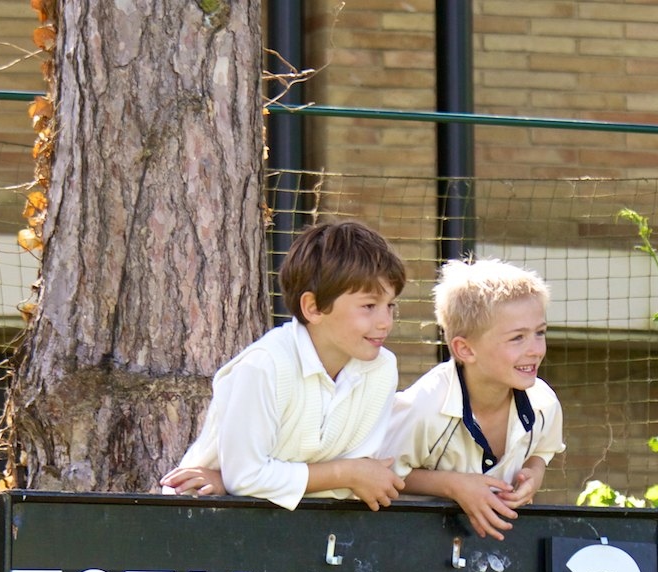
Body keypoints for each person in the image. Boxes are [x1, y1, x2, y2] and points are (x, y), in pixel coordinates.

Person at [159, 219, 407, 511]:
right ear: (313, 308)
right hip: (206, 522)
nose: (385, 322)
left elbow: (349, 489)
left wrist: (244, 481)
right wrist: (346, 473)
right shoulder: (265, 367)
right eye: (369, 306)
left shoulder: (382, 369)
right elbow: (248, 478)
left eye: (390, 306)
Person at [384, 258, 564, 539]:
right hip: (415, 545)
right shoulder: (424, 408)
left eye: (539, 333)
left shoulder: (544, 403)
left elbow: (543, 450)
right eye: (517, 338)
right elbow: (380, 472)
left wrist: (534, 471)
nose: (535, 350)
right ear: (465, 349)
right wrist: (453, 485)